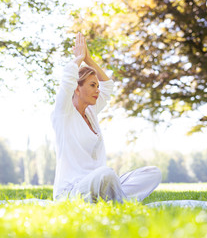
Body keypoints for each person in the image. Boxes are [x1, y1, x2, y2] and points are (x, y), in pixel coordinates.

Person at [51, 32, 161, 203]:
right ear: (77, 88)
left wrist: (89, 60)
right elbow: (67, 80)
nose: (97, 90)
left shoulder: (91, 112)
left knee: (153, 173)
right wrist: (78, 59)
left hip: (99, 184)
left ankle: (115, 199)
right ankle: (119, 201)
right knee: (107, 174)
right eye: (92, 85)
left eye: (97, 85)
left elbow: (108, 85)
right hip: (72, 191)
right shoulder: (63, 113)